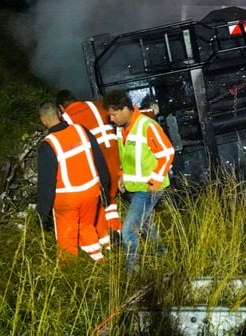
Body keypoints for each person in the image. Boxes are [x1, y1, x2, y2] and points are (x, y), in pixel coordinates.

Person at [103, 90, 175, 271]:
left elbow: (167, 152)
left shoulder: (147, 126)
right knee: (145, 225)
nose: (112, 119)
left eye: (114, 114)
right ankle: (162, 255)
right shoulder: (121, 129)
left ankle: (132, 272)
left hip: (148, 189)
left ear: (126, 109)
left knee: (128, 230)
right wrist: (121, 175)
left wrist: (155, 180)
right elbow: (125, 156)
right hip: (134, 187)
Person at [36, 101, 110, 262]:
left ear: (43, 120)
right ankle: (99, 259)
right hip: (91, 192)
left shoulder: (48, 145)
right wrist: (105, 187)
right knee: (87, 226)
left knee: (66, 238)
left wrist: (43, 212)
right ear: (59, 113)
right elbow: (99, 159)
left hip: (67, 199)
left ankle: (69, 273)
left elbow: (46, 182)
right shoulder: (81, 130)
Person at [56, 89, 121, 246]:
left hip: (98, 167)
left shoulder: (66, 120)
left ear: (60, 108)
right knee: (111, 201)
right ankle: (118, 233)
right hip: (117, 161)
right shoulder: (97, 105)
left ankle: (108, 244)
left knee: (99, 206)